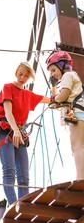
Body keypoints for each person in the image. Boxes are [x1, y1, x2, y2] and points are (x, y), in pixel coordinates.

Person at [0, 61, 50, 206]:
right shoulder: (8, 88)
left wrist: (57, 86)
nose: (22, 78)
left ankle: (24, 207)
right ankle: (13, 206)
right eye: (20, 74)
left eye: (25, 76)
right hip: (5, 131)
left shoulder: (28, 95)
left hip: (19, 133)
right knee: (9, 172)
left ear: (29, 78)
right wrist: (16, 131)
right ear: (16, 72)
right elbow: (8, 112)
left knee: (24, 177)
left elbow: (52, 100)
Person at [46, 51, 84, 180]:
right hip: (81, 112)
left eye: (53, 70)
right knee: (81, 146)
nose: (53, 74)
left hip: (78, 114)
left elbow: (63, 96)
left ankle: (81, 178)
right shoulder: (74, 76)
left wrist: (54, 97)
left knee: (77, 146)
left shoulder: (67, 76)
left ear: (62, 65)